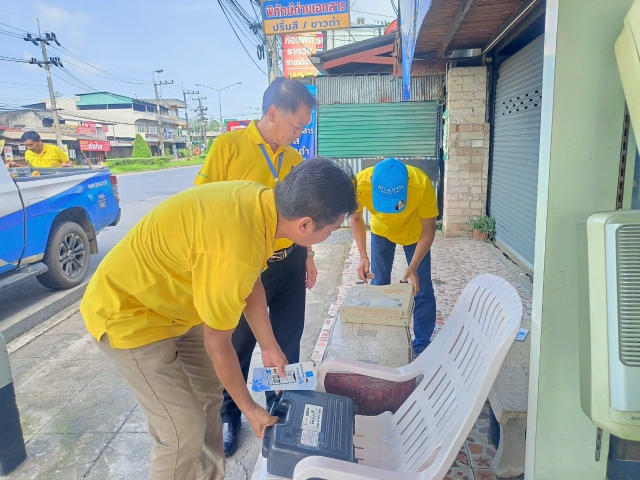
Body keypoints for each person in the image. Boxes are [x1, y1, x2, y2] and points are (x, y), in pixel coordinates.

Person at [80, 158, 358, 480]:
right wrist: (251, 410)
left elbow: (251, 281)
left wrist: (269, 346)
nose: (331, 235)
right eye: (332, 229)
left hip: (176, 307)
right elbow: (218, 344)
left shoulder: (261, 203)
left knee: (208, 393)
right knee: (181, 430)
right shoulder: (235, 249)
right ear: (305, 225)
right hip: (129, 313)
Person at [194, 77, 317, 456]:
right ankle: (230, 414)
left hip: (290, 262)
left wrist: (309, 256)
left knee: (288, 337)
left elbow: (304, 216)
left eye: (303, 128)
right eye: (296, 125)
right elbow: (202, 203)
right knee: (239, 343)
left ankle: (280, 407)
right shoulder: (228, 147)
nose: (299, 134)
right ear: (273, 112)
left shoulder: (295, 160)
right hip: (247, 264)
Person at [350, 158, 439, 358]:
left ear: (407, 183)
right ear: (372, 181)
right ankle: (384, 337)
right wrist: (363, 256)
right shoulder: (360, 184)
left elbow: (429, 228)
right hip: (381, 232)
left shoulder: (421, 183)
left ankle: (422, 345)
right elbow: (355, 218)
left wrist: (413, 265)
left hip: (414, 234)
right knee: (379, 285)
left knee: (421, 288)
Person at [7, 131, 73, 168]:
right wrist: (16, 166)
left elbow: (70, 163)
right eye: (26, 145)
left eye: (31, 144)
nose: (29, 148)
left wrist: (66, 166)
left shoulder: (54, 149)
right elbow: (31, 169)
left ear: (39, 141)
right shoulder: (28, 153)